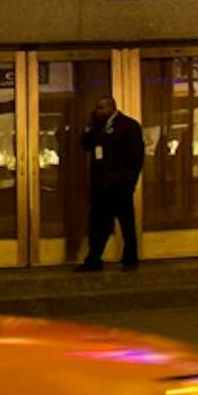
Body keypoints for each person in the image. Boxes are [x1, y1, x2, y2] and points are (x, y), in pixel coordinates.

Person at [77, 97, 147, 273]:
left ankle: (130, 259)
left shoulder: (129, 126)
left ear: (111, 108)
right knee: (99, 223)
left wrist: (129, 181)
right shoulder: (97, 127)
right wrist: (88, 127)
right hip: (101, 186)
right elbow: (86, 145)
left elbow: (136, 156)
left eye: (101, 108)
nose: (97, 111)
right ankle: (94, 259)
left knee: (126, 223)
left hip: (120, 185)